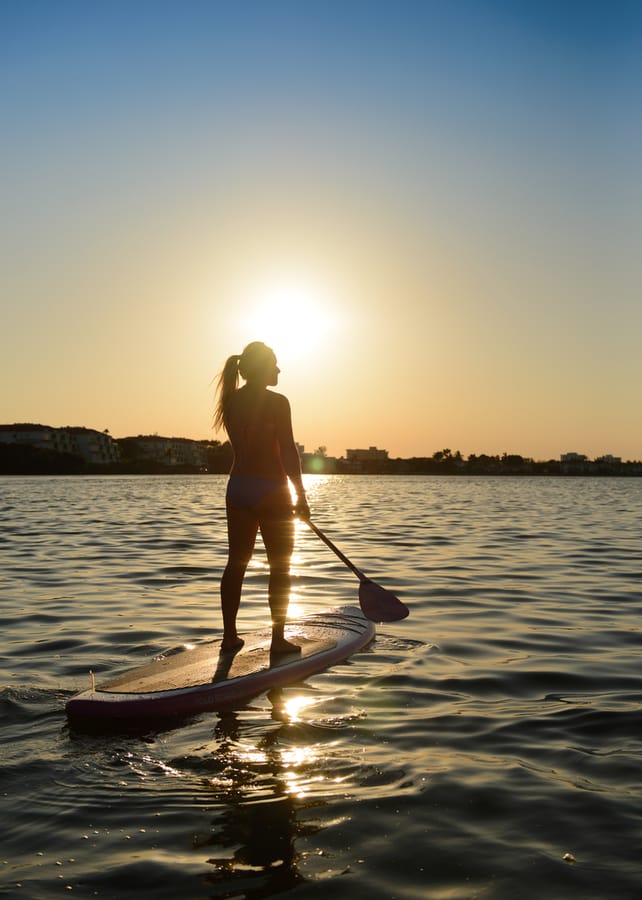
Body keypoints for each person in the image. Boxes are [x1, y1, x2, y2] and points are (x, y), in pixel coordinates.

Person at [214, 341, 310, 654]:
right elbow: (288, 452)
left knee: (236, 564)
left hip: (238, 487)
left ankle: (229, 637)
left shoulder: (230, 401)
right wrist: (301, 496)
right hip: (272, 489)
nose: (279, 369)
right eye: (275, 364)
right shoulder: (278, 402)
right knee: (279, 568)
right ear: (262, 369)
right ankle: (278, 641)